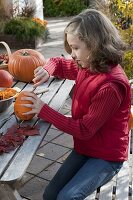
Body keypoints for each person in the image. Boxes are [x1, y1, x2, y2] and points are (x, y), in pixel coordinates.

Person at [21, 9, 131, 200]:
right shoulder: (87, 65)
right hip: (87, 148)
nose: (71, 54)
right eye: (70, 47)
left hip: (107, 156)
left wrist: (44, 110)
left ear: (95, 45)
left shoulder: (110, 86)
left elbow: (84, 129)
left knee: (67, 197)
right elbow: (58, 63)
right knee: (50, 195)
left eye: (76, 48)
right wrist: (47, 70)